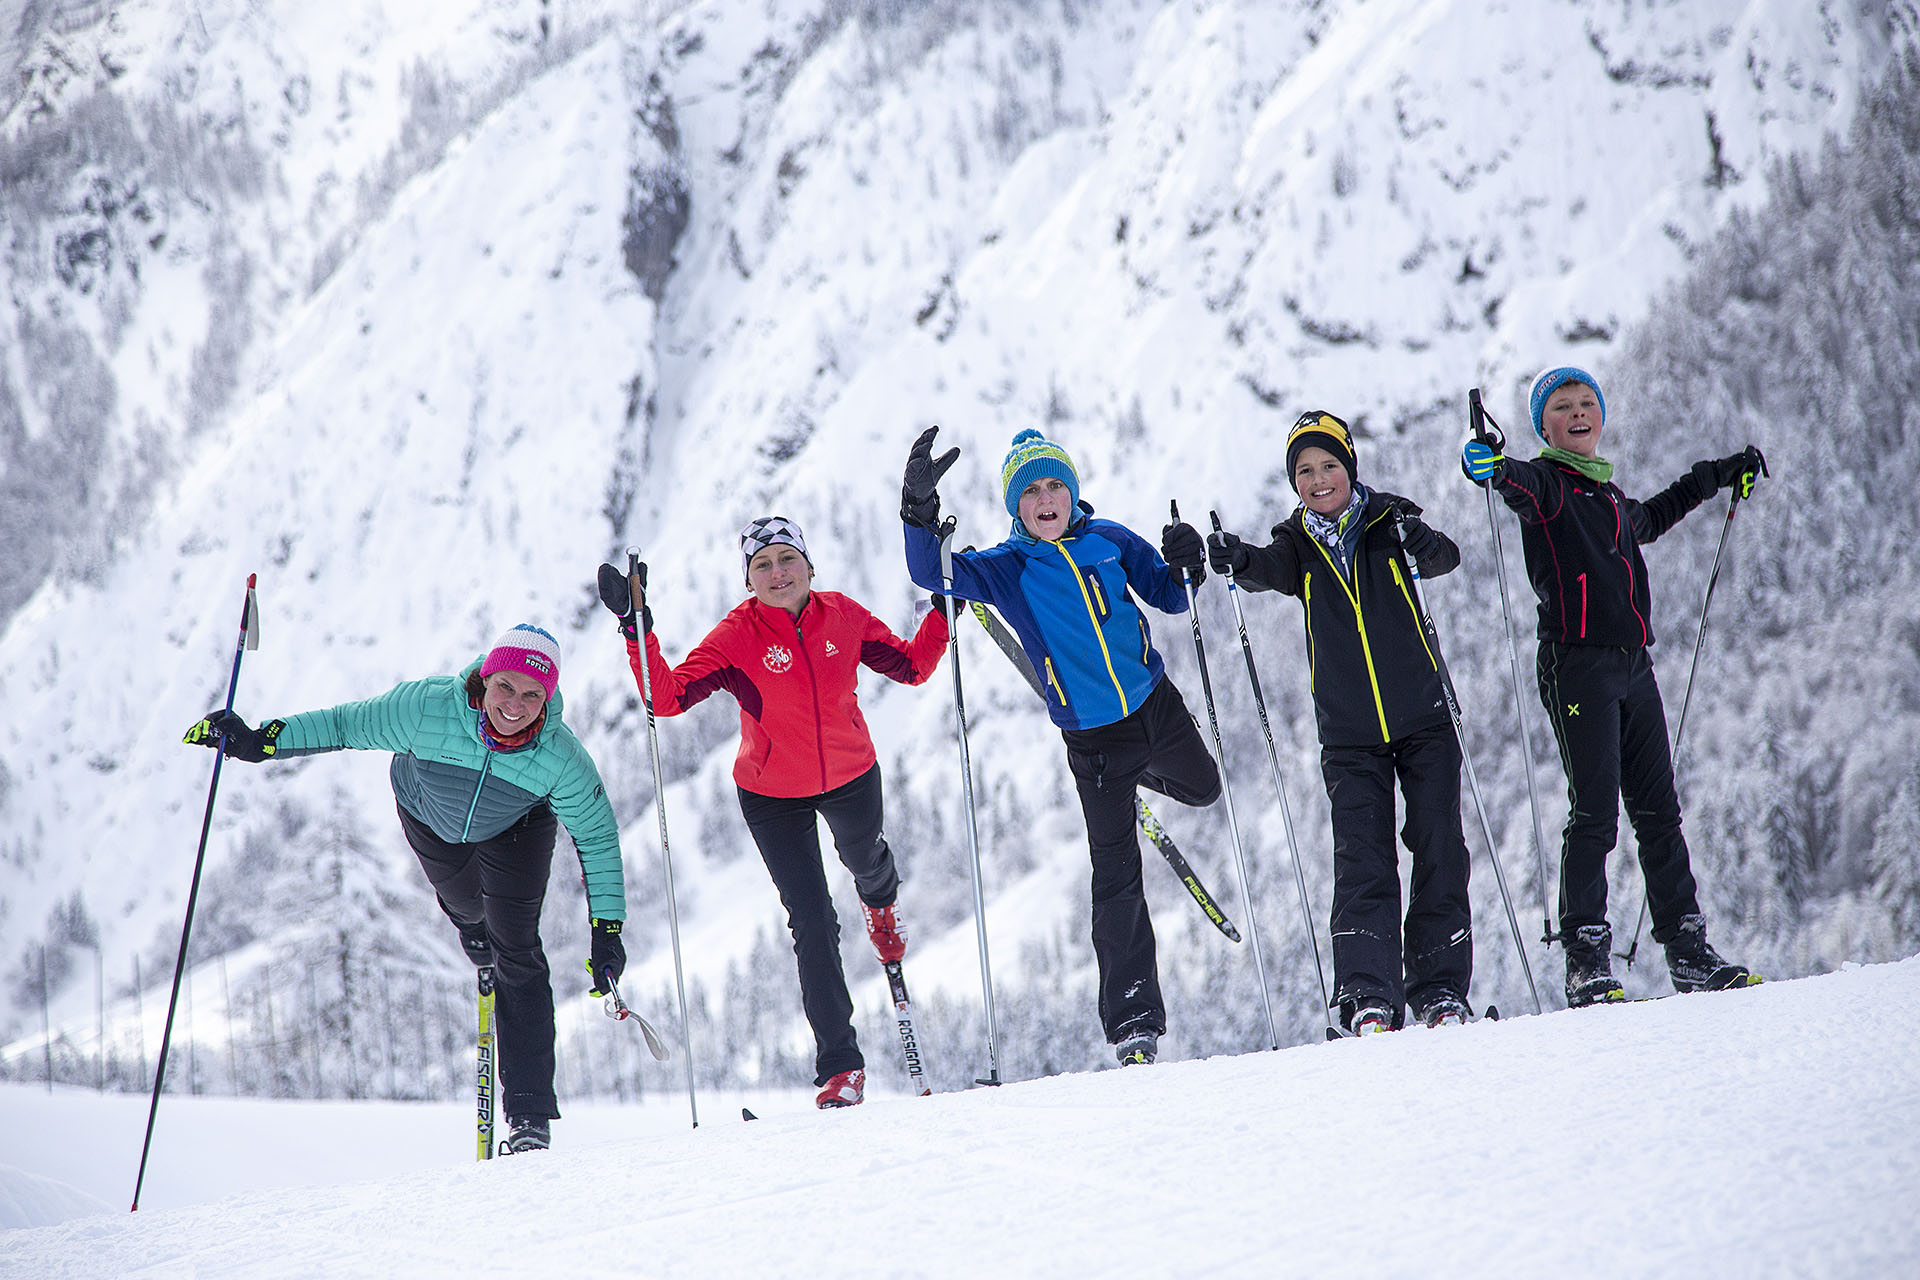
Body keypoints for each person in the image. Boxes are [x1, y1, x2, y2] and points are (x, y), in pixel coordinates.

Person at [183, 623, 627, 1153]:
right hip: (429, 812)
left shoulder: (561, 758)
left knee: (519, 951)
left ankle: (529, 1117)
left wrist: (606, 930)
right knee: (467, 908)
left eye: (534, 694)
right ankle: (474, 933)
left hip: (517, 830)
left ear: (549, 699)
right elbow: (346, 724)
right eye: (506, 686)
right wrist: (260, 741)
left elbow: (597, 837)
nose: (516, 705)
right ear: (485, 680)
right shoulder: (427, 707)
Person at [597, 517, 946, 1109]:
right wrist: (638, 628)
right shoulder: (737, 635)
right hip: (770, 794)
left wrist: (942, 606)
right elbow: (668, 696)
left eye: (788, 559)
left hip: (850, 773)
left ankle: (881, 906)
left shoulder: (844, 616)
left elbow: (912, 666)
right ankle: (842, 1067)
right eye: (763, 565)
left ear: (810, 567)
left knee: (866, 861)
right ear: (748, 580)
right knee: (812, 920)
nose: (778, 572)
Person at [900, 426, 1221, 1067]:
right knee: (1118, 876)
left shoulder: (1109, 540)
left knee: (1205, 788)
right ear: (1014, 505)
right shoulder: (1007, 568)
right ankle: (1134, 1023)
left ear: (1072, 493)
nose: (1046, 499)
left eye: (1056, 486)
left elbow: (1171, 593)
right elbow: (931, 573)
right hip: (1094, 744)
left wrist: (1190, 561)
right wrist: (918, 514)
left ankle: (1141, 788)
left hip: (1156, 706)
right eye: (1032, 491)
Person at [1461, 366, 1766, 1006]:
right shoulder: (1545, 484)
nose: (1577, 414)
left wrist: (1717, 475)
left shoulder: (1607, 497)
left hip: (1632, 664)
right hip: (1575, 665)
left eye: (1586, 404)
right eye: (1562, 407)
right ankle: (1586, 963)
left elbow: (1654, 515)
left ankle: (1688, 953)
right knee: (1596, 812)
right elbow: (1510, 479)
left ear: (1600, 416)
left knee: (1659, 812)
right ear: (1543, 426)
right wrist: (1488, 462)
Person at [1210, 411, 1475, 1035]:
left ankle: (1439, 994)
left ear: (1349, 467)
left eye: (1329, 464)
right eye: (1305, 470)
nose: (1318, 478)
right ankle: (1367, 997)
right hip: (1350, 735)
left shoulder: (1390, 519)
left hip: (1425, 720)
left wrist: (1421, 542)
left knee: (1439, 846)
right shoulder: (1296, 543)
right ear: (1294, 482)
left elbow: (1445, 557)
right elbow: (1264, 568)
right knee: (1363, 860)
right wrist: (1234, 557)